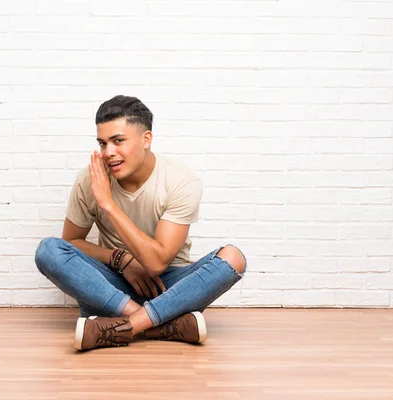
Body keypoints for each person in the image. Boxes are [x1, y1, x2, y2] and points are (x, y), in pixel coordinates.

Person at [35, 95, 247, 351]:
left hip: (168, 288)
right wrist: (120, 260)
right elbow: (71, 243)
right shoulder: (90, 178)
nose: (108, 152)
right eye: (102, 143)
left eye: (118, 141)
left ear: (146, 139)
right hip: (111, 290)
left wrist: (109, 204)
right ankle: (161, 323)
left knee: (233, 258)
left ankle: (121, 326)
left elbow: (157, 262)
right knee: (48, 250)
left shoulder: (181, 180)